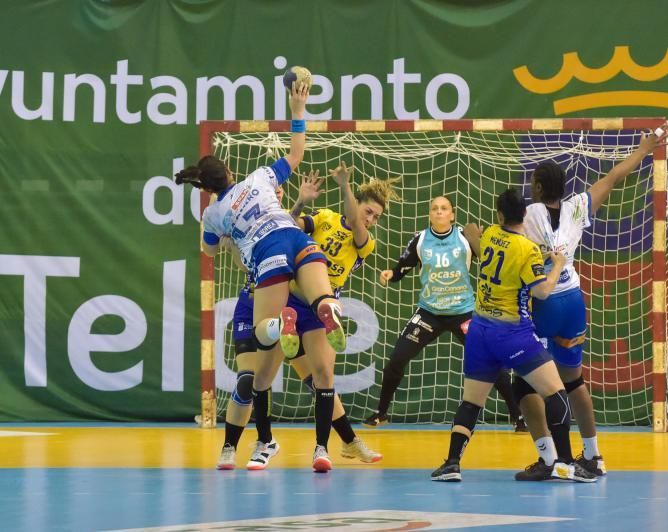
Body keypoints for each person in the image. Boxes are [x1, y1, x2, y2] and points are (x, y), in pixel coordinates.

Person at [176, 80, 345, 471]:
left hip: (265, 256)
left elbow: (210, 250)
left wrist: (228, 237)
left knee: (262, 330)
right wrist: (298, 109)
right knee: (319, 297)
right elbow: (296, 153)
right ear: (231, 171)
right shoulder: (259, 177)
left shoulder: (213, 214)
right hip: (295, 236)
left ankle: (279, 327)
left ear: (204, 187)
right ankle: (328, 306)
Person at [515, 124, 668, 478]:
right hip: (572, 298)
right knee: (574, 382)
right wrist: (646, 147)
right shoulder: (576, 208)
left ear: (538, 187)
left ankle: (550, 459)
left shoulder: (526, 215)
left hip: (544, 300)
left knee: (524, 385)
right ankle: (594, 456)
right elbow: (614, 176)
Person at [430, 188, 596, 483]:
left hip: (479, 331)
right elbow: (542, 291)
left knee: (471, 402)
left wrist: (471, 235)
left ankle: (451, 464)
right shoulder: (527, 249)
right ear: (525, 215)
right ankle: (567, 463)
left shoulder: (492, 233)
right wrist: (557, 265)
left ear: (499, 214)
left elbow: (484, 247)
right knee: (556, 393)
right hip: (512, 334)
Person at [216, 180, 382, 470]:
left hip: (317, 308)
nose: (370, 219)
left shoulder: (365, 241)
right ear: (357, 205)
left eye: (376, 217)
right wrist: (302, 201)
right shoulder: (325, 218)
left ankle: (323, 448)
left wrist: (344, 189)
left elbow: (355, 225)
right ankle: (264, 442)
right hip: (290, 300)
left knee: (322, 376)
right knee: (262, 376)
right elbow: (286, 226)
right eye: (368, 211)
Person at [362, 196, 527, 431]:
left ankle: (517, 416)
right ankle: (381, 412)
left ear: (452, 214)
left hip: (464, 311)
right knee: (397, 358)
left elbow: (489, 262)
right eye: (434, 209)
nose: (439, 212)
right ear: (429, 214)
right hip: (430, 312)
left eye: (444, 208)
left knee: (491, 361)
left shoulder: (464, 238)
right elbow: (402, 267)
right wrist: (392, 274)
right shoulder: (420, 240)